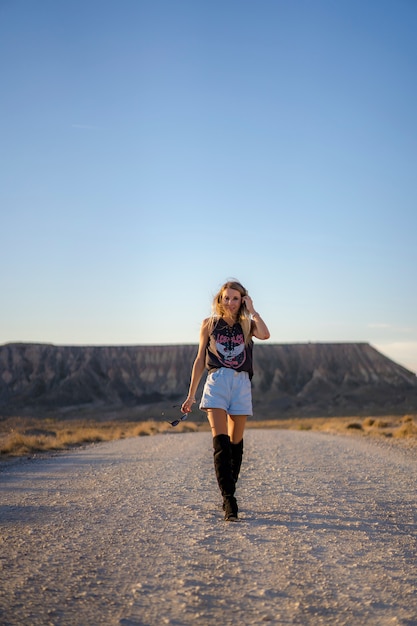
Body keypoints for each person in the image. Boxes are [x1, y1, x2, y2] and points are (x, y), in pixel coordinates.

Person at [181, 280, 270, 521]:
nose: (230, 302)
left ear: (242, 300)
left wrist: (253, 311)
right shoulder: (208, 324)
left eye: (235, 298)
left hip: (241, 384)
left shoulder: (248, 325)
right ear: (219, 299)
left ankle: (230, 491)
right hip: (217, 381)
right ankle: (229, 500)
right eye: (226, 298)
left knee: (235, 444)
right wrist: (192, 394)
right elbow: (200, 359)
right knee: (220, 443)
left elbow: (265, 334)